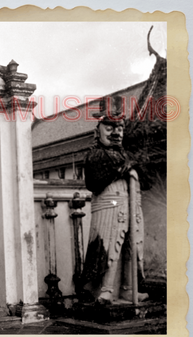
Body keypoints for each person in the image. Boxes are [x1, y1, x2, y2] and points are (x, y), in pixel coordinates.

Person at [81, 96, 148, 305]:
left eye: (119, 127)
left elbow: (146, 180)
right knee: (109, 249)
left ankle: (128, 289)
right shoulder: (95, 155)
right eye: (110, 127)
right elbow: (94, 182)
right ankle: (106, 289)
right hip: (109, 206)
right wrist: (126, 167)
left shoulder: (126, 155)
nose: (116, 132)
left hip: (132, 206)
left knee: (134, 249)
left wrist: (130, 167)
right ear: (98, 130)